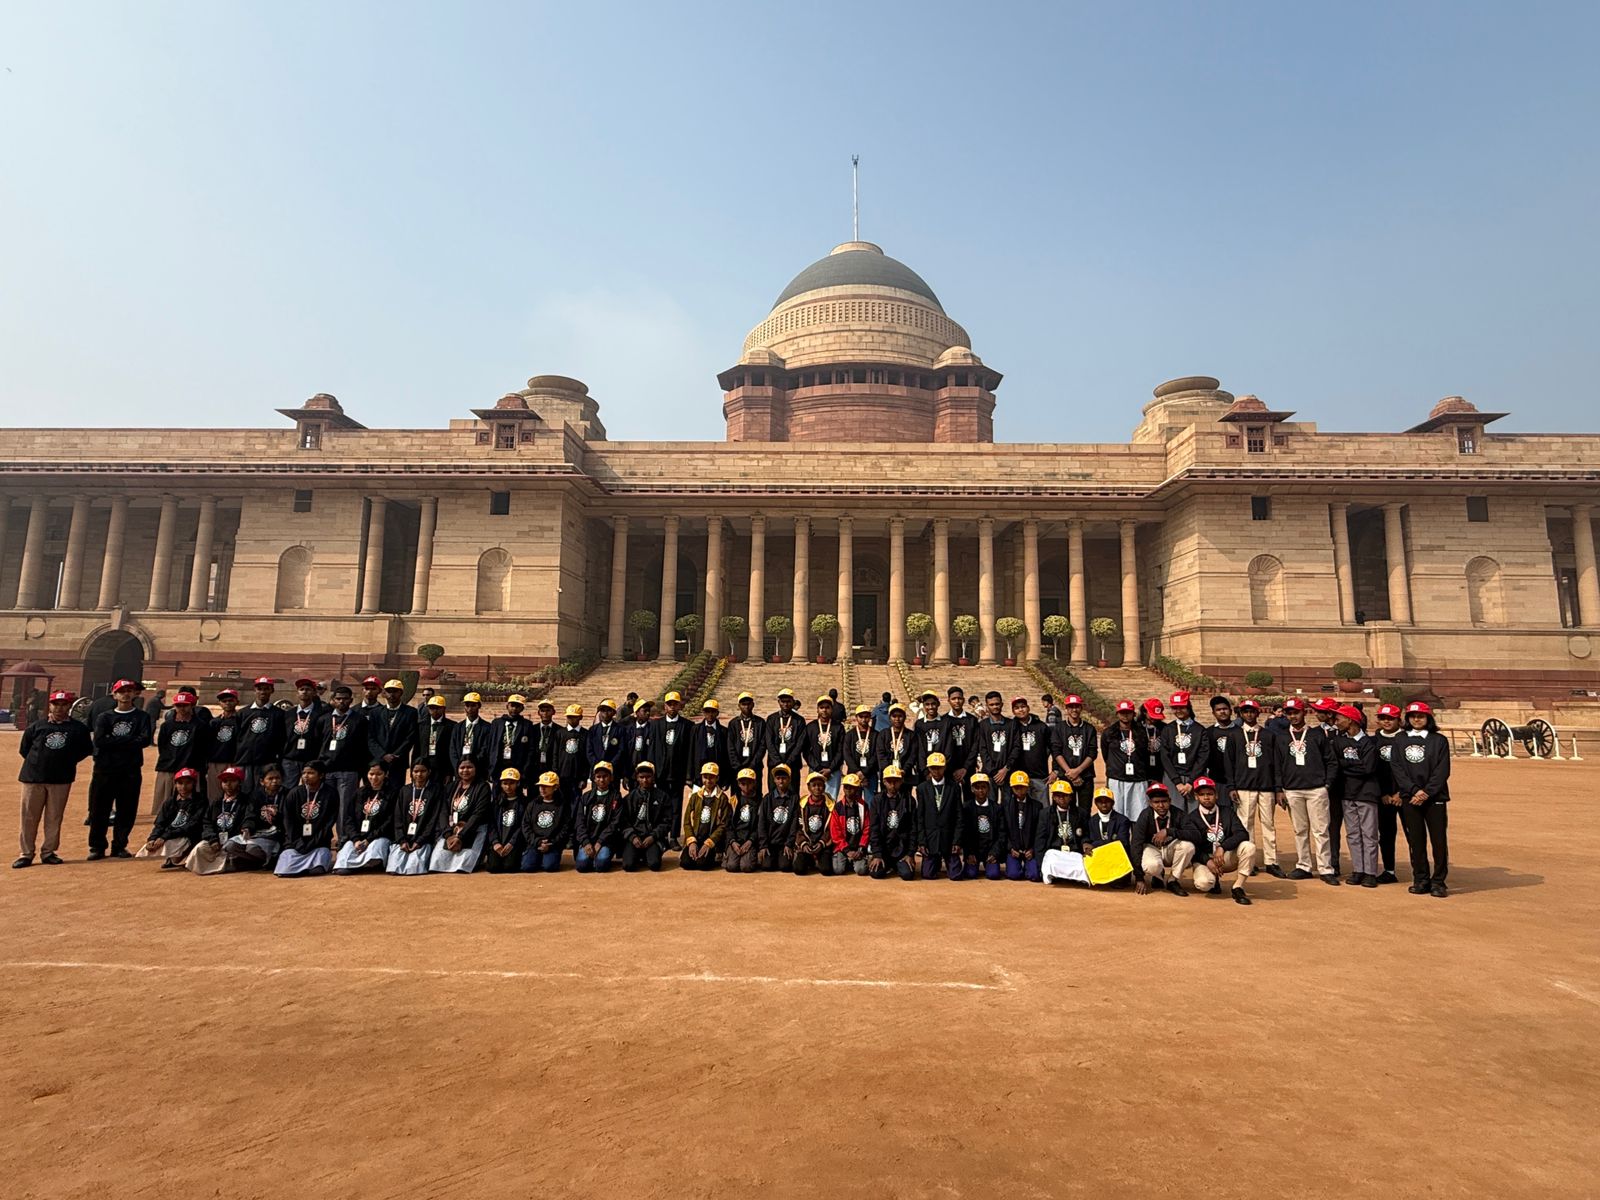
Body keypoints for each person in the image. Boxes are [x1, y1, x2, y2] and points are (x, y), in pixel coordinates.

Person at [14, 689, 94, 868]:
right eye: (56, 704)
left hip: (61, 778)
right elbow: (25, 749)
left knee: (54, 817)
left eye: (64, 704)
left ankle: (48, 851)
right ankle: (26, 853)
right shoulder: (37, 726)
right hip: (33, 778)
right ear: (50, 705)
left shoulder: (78, 729)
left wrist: (66, 761)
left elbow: (85, 750)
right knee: (28, 817)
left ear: (69, 706)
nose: (59, 708)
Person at [1271, 698, 1339, 885]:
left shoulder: (1317, 734)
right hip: (1292, 789)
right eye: (1289, 713)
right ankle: (1304, 866)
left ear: (1304, 713)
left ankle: (1325, 868)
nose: (1293, 716)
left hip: (1316, 789)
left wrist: (1327, 784)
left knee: (1320, 831)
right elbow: (1277, 765)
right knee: (1300, 830)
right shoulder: (1281, 737)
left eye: (1296, 712)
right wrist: (1279, 789)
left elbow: (1331, 761)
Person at [87, 678, 156, 861]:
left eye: (129, 691)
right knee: (99, 810)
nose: (125, 694)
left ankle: (119, 845)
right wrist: (129, 741)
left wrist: (113, 741)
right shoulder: (105, 717)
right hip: (105, 769)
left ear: (134, 694)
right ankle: (97, 846)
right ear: (114, 694)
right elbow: (100, 741)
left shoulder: (141, 717)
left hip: (130, 769)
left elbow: (144, 740)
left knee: (127, 810)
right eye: (121, 691)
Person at [1390, 701, 1451, 898]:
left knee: (1439, 841)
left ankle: (1438, 881)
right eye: (1413, 716)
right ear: (1407, 719)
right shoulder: (1400, 739)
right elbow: (1397, 768)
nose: (1416, 719)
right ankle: (1421, 879)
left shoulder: (1439, 740)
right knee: (1416, 841)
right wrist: (1413, 790)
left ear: (1428, 718)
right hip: (1410, 798)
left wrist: (1426, 792)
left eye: (1421, 716)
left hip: (1435, 798)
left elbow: (1442, 770)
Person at [1226, 699, 1286, 878]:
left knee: (1268, 824)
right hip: (1244, 786)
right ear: (1241, 714)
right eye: (1246, 711)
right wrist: (1231, 786)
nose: (1249, 714)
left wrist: (1278, 787)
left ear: (1258, 713)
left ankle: (1271, 861)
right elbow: (1229, 762)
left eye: (1252, 711)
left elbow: (1276, 763)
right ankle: (1248, 861)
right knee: (1246, 824)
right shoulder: (1234, 735)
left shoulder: (1268, 735)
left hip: (1266, 786)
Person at [1179, 777, 1256, 904]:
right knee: (1204, 883)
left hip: (1224, 856)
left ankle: (1238, 887)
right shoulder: (1191, 818)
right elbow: (1193, 847)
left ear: (1217, 795)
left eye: (1210, 794)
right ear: (1196, 797)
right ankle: (1213, 881)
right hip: (1205, 860)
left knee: (1248, 847)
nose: (1206, 797)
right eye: (1202, 794)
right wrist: (1207, 861)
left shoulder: (1227, 812)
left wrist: (1223, 847)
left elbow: (1242, 834)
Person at [1332, 704, 1381, 888]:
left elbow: (1368, 768)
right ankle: (1358, 869)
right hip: (1347, 793)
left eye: (1339, 719)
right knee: (1353, 834)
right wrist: (1353, 764)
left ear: (1350, 720)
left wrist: (1345, 764)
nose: (1336, 722)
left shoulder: (1369, 743)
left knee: (1369, 834)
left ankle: (1370, 872)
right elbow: (1336, 764)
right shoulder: (1339, 741)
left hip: (1366, 793)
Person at [184, 765, 253, 875]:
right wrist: (213, 839)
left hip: (234, 840)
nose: (228, 784)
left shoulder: (247, 801)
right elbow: (207, 823)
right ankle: (222, 865)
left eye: (232, 781)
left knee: (231, 847)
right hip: (216, 840)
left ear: (239, 782)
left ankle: (231, 864)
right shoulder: (216, 803)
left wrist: (246, 828)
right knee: (199, 849)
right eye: (225, 781)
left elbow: (249, 818)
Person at [275, 760, 339, 877]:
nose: (306, 776)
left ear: (321, 775)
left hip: (319, 843)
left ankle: (304, 869)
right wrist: (298, 843)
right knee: (285, 869)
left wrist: (312, 843)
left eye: (310, 773)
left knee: (318, 866)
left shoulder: (331, 794)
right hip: (295, 843)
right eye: (304, 773)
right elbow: (288, 822)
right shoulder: (294, 793)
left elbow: (328, 823)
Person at [138, 766, 209, 868]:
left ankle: (187, 854)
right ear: (175, 784)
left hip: (189, 835)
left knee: (177, 853)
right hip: (171, 834)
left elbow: (193, 825)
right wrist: (152, 838)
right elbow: (160, 823)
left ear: (194, 784)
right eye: (180, 783)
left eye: (188, 783)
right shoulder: (169, 802)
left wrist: (165, 837)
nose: (183, 787)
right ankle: (174, 857)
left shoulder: (201, 801)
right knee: (149, 848)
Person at [328, 762, 392, 874]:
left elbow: (389, 821)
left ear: (386, 774)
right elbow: (349, 819)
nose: (374, 777)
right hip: (358, 838)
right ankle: (356, 865)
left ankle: (359, 865)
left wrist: (369, 839)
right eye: (371, 774)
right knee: (346, 852)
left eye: (379, 774)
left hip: (378, 836)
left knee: (376, 851)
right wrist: (355, 839)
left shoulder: (392, 794)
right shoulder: (359, 793)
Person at [430, 757, 491, 873]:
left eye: (469, 767)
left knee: (463, 865)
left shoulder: (483, 787)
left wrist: (461, 836)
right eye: (462, 767)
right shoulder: (450, 787)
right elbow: (443, 812)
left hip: (473, 829)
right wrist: (448, 835)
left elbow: (478, 814)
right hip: (451, 829)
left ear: (476, 768)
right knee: (437, 862)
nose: (465, 770)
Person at [1130, 782, 1192, 895]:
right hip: (1152, 848)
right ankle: (1158, 875)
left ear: (1170, 801)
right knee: (1152, 866)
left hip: (1170, 849)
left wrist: (1169, 831)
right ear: (1150, 803)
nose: (1161, 805)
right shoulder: (1145, 815)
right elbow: (1136, 844)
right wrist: (1139, 878)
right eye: (1156, 802)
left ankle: (1173, 880)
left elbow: (1194, 834)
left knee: (1188, 847)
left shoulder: (1178, 813)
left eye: (1164, 801)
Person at [317, 685, 371, 813]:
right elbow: (318, 743)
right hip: (327, 768)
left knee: (344, 807)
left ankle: (343, 828)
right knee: (325, 806)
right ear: (333, 700)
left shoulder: (359, 720)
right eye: (338, 699)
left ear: (351, 700)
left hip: (349, 770)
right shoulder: (324, 719)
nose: (342, 701)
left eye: (345, 699)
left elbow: (363, 746)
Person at [386, 759, 443, 875]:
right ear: (411, 772)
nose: (419, 774)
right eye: (416, 771)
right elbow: (398, 818)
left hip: (423, 839)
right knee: (394, 868)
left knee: (415, 868)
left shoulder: (435, 790)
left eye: (423, 771)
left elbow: (433, 819)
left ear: (429, 772)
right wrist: (402, 840)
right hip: (404, 838)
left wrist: (420, 841)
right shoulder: (404, 790)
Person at [234, 677, 287, 792]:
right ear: (255, 690)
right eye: (259, 689)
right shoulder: (243, 713)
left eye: (266, 688)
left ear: (272, 691)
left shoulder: (279, 714)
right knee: (244, 791)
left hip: (267, 761)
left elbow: (282, 738)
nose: (263, 692)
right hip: (244, 760)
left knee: (263, 792)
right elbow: (236, 737)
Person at [1101, 700, 1151, 821]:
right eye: (1122, 712)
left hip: (1138, 779)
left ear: (1133, 714)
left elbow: (1145, 754)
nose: (1125, 715)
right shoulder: (1109, 732)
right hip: (1117, 778)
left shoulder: (1142, 732)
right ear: (1117, 714)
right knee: (1116, 815)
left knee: (1139, 815)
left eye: (1128, 712)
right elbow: (1105, 754)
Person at [915, 751, 962, 880]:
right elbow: (920, 817)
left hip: (949, 839)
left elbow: (959, 816)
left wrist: (956, 841)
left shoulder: (954, 787)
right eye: (933, 768)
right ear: (929, 768)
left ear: (945, 767)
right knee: (928, 874)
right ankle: (935, 861)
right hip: (931, 840)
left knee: (956, 875)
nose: (936, 771)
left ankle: (946, 860)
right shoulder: (922, 788)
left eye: (939, 767)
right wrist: (922, 842)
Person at [867, 763, 917, 880]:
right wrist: (877, 854)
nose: (893, 785)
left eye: (896, 781)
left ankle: (898, 865)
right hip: (884, 850)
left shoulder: (909, 801)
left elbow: (913, 828)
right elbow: (874, 829)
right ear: (884, 782)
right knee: (876, 873)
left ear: (901, 781)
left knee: (907, 875)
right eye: (889, 781)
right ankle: (886, 864)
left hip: (902, 850)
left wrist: (910, 854)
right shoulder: (877, 801)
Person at [620, 761, 673, 872]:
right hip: (634, 837)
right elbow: (623, 821)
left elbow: (667, 822)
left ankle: (651, 853)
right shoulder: (629, 798)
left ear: (653, 777)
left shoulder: (663, 797)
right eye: (641, 777)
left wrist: (653, 836)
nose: (645, 780)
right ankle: (636, 853)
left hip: (652, 838)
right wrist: (632, 837)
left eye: (648, 777)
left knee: (654, 865)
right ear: (637, 778)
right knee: (628, 865)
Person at [234, 763, 287, 871]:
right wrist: (247, 827)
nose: (274, 781)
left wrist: (277, 816)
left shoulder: (288, 794)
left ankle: (270, 859)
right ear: (262, 781)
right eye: (270, 778)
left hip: (279, 835)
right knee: (231, 845)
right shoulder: (255, 795)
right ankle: (258, 862)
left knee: (252, 847)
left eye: (277, 778)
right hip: (259, 833)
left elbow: (288, 820)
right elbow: (250, 814)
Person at [1158, 691, 1205, 812]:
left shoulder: (1200, 730)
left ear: (1188, 707)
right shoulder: (1168, 729)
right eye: (1175, 708)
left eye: (1182, 707)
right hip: (1173, 778)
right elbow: (1164, 756)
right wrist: (1177, 782)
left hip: (1194, 778)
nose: (1178, 710)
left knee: (1195, 813)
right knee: (1174, 812)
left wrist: (1190, 782)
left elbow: (1203, 757)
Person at [1079, 786, 1134, 886]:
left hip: (1116, 858)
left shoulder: (1123, 820)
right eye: (1100, 801)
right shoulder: (1091, 820)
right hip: (1100, 858)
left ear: (1113, 803)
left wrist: (1095, 845)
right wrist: (1085, 843)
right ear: (1095, 803)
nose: (1104, 804)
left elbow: (1122, 842)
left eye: (1107, 801)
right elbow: (1086, 836)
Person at [1051, 695, 1097, 814]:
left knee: (1085, 811)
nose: (1074, 710)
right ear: (1066, 708)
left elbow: (1092, 753)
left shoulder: (1089, 729)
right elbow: (1056, 752)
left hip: (1085, 776)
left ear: (1081, 708)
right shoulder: (1059, 728)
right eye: (1071, 707)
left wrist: (1078, 771)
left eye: (1077, 706)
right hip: (1065, 775)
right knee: (1064, 809)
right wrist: (1070, 772)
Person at [680, 762, 731, 870]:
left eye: (711, 777)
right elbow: (687, 821)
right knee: (686, 863)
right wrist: (692, 842)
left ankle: (716, 855)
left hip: (712, 840)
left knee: (702, 865)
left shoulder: (722, 798)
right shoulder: (695, 797)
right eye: (705, 777)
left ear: (717, 778)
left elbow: (723, 825)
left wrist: (709, 843)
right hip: (696, 838)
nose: (708, 781)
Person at [956, 771, 1006, 880]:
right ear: (972, 789)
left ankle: (991, 863)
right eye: (977, 787)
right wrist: (969, 853)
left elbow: (1002, 833)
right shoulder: (966, 808)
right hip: (974, 850)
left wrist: (995, 853)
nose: (980, 790)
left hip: (990, 850)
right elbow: (964, 833)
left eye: (983, 787)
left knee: (993, 875)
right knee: (970, 874)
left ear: (988, 788)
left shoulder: (997, 808)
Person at [1038, 779, 1089, 885]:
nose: (1061, 798)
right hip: (1055, 851)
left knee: (1080, 863)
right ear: (1053, 797)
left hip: (1073, 851)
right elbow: (1040, 839)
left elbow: (1085, 834)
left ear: (1070, 797)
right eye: (1058, 795)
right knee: (1051, 860)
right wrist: (1040, 864)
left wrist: (1085, 843)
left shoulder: (1080, 813)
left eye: (1065, 795)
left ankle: (1074, 878)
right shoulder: (1045, 814)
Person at [366, 680, 418, 783]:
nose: (392, 694)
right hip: (379, 761)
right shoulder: (376, 713)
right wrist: (382, 755)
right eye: (389, 691)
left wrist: (396, 755)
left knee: (396, 789)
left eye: (395, 691)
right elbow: (371, 737)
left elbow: (410, 737)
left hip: (398, 761)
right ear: (384, 693)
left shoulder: (410, 712)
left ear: (401, 693)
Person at [574, 761, 622, 873]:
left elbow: (615, 823)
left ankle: (603, 855)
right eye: (598, 777)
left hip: (606, 841)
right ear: (594, 778)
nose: (602, 779)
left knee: (601, 865)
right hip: (588, 839)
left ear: (611, 778)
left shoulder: (616, 797)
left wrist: (600, 842)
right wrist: (586, 842)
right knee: (582, 865)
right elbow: (579, 821)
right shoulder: (586, 797)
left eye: (605, 776)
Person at [518, 771, 569, 873]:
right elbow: (525, 825)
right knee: (527, 867)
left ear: (555, 787)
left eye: (546, 786)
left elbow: (565, 828)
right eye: (541, 786)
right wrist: (537, 842)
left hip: (552, 844)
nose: (542, 788)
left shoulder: (562, 806)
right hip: (534, 843)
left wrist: (552, 843)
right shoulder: (533, 804)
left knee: (550, 866)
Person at [281, 676, 328, 784]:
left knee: (310, 788)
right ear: (297, 692)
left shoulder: (321, 714)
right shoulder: (288, 714)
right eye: (301, 689)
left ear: (314, 692)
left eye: (308, 689)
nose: (304, 692)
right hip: (290, 758)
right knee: (288, 788)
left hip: (311, 759)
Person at [998, 770, 1043, 882]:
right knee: (1014, 875)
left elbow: (1039, 832)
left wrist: (1032, 849)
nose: (1019, 790)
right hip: (1014, 849)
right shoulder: (1005, 806)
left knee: (1034, 875)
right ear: (1012, 788)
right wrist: (1010, 848)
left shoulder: (1037, 806)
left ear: (1027, 787)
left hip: (1030, 850)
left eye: (1022, 787)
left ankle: (1028, 867)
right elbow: (1002, 830)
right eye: (1016, 787)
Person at [653, 691, 693, 808]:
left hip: (678, 772)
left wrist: (688, 774)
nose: (672, 707)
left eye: (675, 704)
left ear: (680, 705)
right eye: (669, 704)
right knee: (660, 806)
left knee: (676, 807)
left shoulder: (688, 725)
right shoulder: (656, 725)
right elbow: (652, 749)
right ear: (665, 706)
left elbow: (690, 751)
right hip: (661, 772)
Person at [1009, 698, 1052, 806]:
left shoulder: (1041, 727)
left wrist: (1055, 770)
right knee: (1022, 809)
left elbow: (1053, 748)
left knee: (1043, 809)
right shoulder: (1011, 727)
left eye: (1023, 707)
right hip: (1018, 777)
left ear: (1028, 708)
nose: (1021, 710)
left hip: (1039, 776)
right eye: (1017, 708)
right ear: (1013, 711)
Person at [756, 763, 798, 872]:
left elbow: (794, 825)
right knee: (767, 866)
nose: (781, 781)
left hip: (784, 843)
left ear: (789, 779)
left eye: (784, 778)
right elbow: (762, 823)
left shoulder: (794, 799)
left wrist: (789, 844)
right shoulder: (767, 799)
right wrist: (763, 845)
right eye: (778, 778)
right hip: (770, 843)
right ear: (774, 780)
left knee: (785, 866)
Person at [484, 767, 526, 873]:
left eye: (512, 783)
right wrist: (495, 842)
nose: (508, 787)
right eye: (505, 783)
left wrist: (512, 843)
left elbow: (523, 826)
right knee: (493, 867)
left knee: (510, 867)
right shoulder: (496, 803)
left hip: (514, 843)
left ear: (518, 783)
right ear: (501, 784)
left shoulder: (524, 803)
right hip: (498, 842)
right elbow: (491, 824)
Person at [791, 771, 834, 875]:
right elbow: (798, 827)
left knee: (826, 870)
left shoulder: (830, 805)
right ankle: (810, 860)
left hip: (822, 845)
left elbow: (831, 829)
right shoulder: (802, 805)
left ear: (824, 787)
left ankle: (818, 860)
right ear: (809, 788)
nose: (817, 788)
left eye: (820, 785)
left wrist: (822, 843)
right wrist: (803, 843)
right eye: (814, 785)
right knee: (799, 869)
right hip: (807, 843)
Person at [829, 774, 872, 876]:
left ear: (857, 789)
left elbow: (867, 829)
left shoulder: (863, 806)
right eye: (846, 787)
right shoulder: (838, 807)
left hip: (858, 847)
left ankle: (855, 860)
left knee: (861, 870)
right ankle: (847, 860)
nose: (848, 790)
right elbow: (835, 832)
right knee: (838, 870)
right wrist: (846, 850)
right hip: (842, 847)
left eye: (852, 787)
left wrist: (861, 848)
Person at [804, 695, 844, 799]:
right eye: (821, 707)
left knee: (831, 800)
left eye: (827, 707)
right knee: (815, 799)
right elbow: (806, 751)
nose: (824, 710)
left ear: (832, 709)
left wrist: (830, 769)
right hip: (815, 770)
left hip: (833, 771)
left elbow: (841, 750)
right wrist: (817, 768)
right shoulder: (810, 727)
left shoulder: (838, 727)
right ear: (817, 709)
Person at [724, 767, 763, 873]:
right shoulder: (733, 801)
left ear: (754, 783)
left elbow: (760, 826)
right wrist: (732, 841)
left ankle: (753, 856)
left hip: (750, 840)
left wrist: (751, 841)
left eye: (749, 783)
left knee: (746, 866)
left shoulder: (760, 802)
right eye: (743, 783)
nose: (746, 786)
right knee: (731, 866)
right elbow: (728, 825)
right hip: (736, 839)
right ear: (738, 784)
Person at [973, 692, 1015, 790]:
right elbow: (982, 749)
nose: (995, 706)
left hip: (1008, 772)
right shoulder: (982, 725)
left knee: (1008, 799)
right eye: (991, 705)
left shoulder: (1012, 724)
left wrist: (1006, 768)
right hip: (989, 773)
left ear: (1002, 704)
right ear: (987, 706)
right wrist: (995, 772)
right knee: (990, 799)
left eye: (997, 704)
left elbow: (1016, 747)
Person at [204, 687, 241, 797]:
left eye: (230, 700)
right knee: (214, 795)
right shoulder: (214, 722)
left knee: (233, 794)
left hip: (233, 762)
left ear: (237, 702)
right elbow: (208, 744)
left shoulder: (241, 721)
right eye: (224, 701)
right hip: (215, 762)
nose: (227, 703)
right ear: (219, 703)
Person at [450, 692, 494, 782]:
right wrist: (459, 766)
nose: (470, 709)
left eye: (473, 705)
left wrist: (472, 766)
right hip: (460, 771)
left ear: (479, 706)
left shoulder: (487, 727)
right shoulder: (458, 727)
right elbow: (452, 749)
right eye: (467, 705)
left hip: (478, 771)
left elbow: (485, 749)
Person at [765, 689, 806, 785]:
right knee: (774, 792)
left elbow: (800, 743)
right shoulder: (771, 719)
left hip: (793, 764)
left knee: (793, 791)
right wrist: (778, 762)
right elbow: (769, 742)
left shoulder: (799, 720)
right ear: (778, 702)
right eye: (783, 701)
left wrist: (789, 762)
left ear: (793, 702)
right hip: (775, 764)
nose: (785, 704)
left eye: (788, 701)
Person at [942, 686, 979, 794]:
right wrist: (952, 769)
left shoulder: (972, 720)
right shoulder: (943, 720)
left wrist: (965, 768)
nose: (957, 701)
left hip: (968, 768)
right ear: (948, 700)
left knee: (970, 798)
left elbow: (975, 745)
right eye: (953, 699)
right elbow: (942, 747)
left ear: (963, 700)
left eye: (959, 698)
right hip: (949, 769)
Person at [491, 694, 536, 780]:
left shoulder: (527, 725)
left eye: (518, 706)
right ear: (507, 706)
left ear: (522, 708)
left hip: (518, 766)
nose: (514, 709)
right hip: (499, 765)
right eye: (512, 706)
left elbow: (531, 749)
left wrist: (525, 769)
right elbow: (491, 745)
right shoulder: (497, 723)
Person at [1205, 695, 1238, 806]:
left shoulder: (1240, 732)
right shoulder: (1208, 733)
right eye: (1218, 710)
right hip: (1217, 780)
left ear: (1231, 711)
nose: (1222, 712)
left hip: (1238, 781)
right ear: (1213, 713)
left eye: (1225, 709)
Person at [844, 705, 879, 808]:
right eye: (861, 716)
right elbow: (847, 755)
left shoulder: (876, 735)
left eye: (866, 716)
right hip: (853, 774)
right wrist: (858, 772)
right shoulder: (850, 735)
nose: (864, 719)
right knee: (853, 803)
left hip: (870, 774)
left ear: (870, 717)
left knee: (870, 804)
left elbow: (876, 755)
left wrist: (864, 773)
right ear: (856, 717)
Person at [873, 702, 916, 786]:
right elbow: (881, 754)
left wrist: (904, 770)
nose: (897, 719)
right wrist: (888, 771)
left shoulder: (911, 735)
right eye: (894, 716)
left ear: (904, 717)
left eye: (900, 716)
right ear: (889, 718)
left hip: (904, 776)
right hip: (887, 776)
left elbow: (912, 755)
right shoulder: (883, 734)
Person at [415, 695, 456, 782]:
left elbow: (452, 750)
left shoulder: (451, 726)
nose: (434, 710)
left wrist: (449, 772)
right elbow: (417, 748)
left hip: (442, 767)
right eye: (431, 708)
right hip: (424, 766)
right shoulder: (421, 725)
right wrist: (414, 768)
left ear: (443, 709)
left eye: (437, 708)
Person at [689, 699, 729, 786]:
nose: (710, 714)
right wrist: (689, 776)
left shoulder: (724, 731)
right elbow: (690, 752)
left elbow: (726, 756)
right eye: (707, 711)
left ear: (717, 713)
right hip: (699, 773)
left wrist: (726, 778)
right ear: (703, 712)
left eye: (713, 711)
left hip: (717, 773)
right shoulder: (695, 729)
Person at [555, 704, 591, 799]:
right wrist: (555, 773)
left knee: (576, 801)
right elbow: (555, 755)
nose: (571, 719)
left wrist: (584, 777)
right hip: (562, 774)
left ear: (580, 717)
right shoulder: (560, 733)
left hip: (577, 775)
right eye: (569, 717)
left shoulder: (585, 734)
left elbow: (586, 757)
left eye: (574, 717)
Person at [728, 693, 766, 780]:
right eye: (743, 704)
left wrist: (753, 765)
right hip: (737, 767)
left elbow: (762, 746)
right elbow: (730, 747)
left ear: (753, 705)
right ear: (739, 706)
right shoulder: (733, 723)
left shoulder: (760, 723)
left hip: (755, 767)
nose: (746, 707)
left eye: (748, 704)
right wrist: (737, 766)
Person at [587, 700, 624, 779]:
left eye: (609, 710)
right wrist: (597, 764)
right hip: (597, 771)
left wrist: (611, 764)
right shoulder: (593, 729)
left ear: (614, 713)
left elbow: (621, 750)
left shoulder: (620, 729)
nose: (605, 713)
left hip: (613, 770)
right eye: (603, 710)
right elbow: (589, 750)